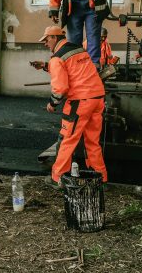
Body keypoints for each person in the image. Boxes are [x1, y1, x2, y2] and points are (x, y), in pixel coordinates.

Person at [34, 26, 107, 187]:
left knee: (67, 140)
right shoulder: (79, 49)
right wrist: (46, 66)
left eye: (46, 40)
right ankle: (100, 179)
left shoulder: (57, 58)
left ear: (54, 38)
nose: (45, 43)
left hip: (79, 102)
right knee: (92, 142)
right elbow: (74, 69)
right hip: (97, 98)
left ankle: (57, 178)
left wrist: (52, 103)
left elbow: (60, 88)